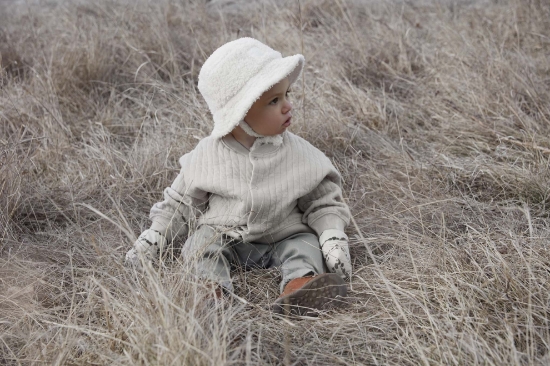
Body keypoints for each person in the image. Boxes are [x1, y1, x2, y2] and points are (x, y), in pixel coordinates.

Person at [125, 37, 352, 315]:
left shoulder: (300, 153)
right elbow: (181, 204)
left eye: (287, 94)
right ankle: (210, 291)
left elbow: (324, 200)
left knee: (305, 246)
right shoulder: (207, 155)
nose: (287, 106)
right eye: (274, 100)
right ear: (239, 112)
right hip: (225, 233)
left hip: (283, 234)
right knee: (200, 245)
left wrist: (331, 235)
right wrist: (157, 234)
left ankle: (300, 284)